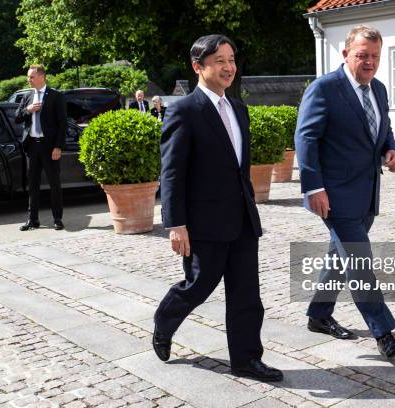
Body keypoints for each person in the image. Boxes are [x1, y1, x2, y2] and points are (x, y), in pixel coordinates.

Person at [153, 34, 283, 382]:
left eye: (231, 59)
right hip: (204, 222)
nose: (229, 67)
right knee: (198, 285)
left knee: (246, 294)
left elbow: (239, 166)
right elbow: (172, 171)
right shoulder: (184, 110)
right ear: (199, 67)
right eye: (220, 61)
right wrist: (175, 223)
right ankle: (165, 322)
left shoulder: (238, 108)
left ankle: (246, 360)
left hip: (241, 219)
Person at [295, 25, 395, 358]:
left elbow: (382, 128)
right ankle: (383, 332)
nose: (369, 62)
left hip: (368, 192)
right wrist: (313, 187)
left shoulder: (380, 89)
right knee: (359, 260)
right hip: (334, 195)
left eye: (375, 56)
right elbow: (306, 139)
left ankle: (318, 313)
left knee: (340, 256)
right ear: (345, 54)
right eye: (362, 55)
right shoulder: (324, 89)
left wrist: (392, 150)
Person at [15, 64, 66, 231]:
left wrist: (58, 146)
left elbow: (62, 124)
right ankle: (32, 220)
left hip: (49, 147)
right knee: (33, 185)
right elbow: (17, 117)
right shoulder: (27, 96)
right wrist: (28, 110)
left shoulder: (55, 96)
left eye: (31, 77)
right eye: (28, 77)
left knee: (54, 184)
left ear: (41, 77)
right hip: (32, 147)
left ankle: (57, 219)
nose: (28, 79)